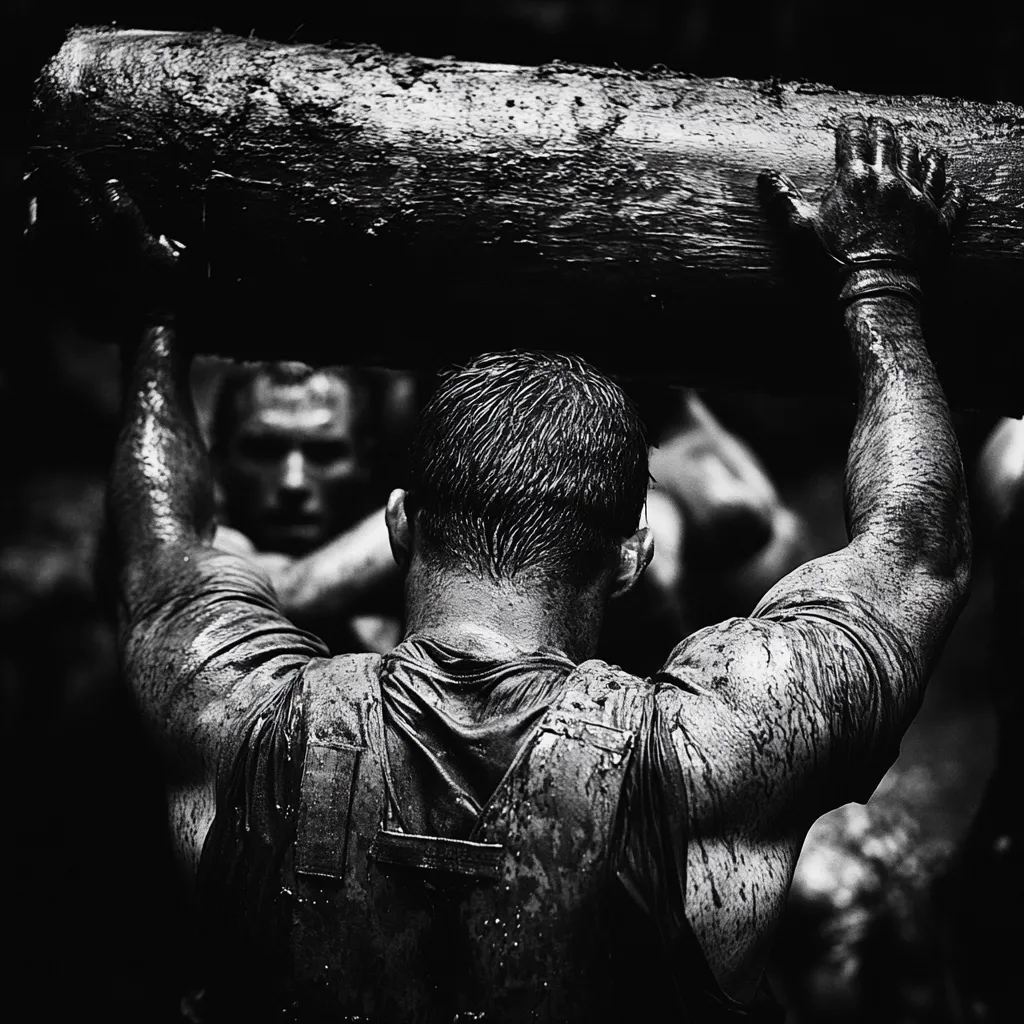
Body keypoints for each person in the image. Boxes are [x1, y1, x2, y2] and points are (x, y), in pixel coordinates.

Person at [102, 113, 969, 1020]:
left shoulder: (238, 720)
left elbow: (157, 557)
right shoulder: (714, 759)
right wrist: (882, 280)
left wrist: (152, 322)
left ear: (399, 525)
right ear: (631, 554)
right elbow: (916, 554)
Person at [203, 359, 410, 653]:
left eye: (324, 454)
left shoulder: (408, 576)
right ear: (219, 460)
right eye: (264, 450)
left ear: (366, 462)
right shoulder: (198, 548)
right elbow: (288, 592)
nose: (293, 482)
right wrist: (431, 504)